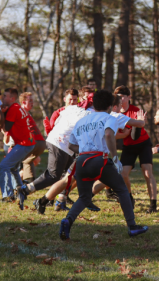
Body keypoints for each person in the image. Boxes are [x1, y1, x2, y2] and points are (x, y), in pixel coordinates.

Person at [59, 89, 149, 240]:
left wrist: (86, 150)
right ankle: (132, 226)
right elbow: (108, 134)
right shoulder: (109, 118)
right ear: (110, 105)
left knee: (84, 197)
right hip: (99, 160)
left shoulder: (81, 121)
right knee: (121, 189)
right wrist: (115, 158)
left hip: (82, 161)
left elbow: (71, 145)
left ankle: (68, 220)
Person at [18, 100, 90, 214]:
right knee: (54, 175)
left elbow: (57, 122)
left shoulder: (72, 108)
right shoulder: (92, 114)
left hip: (62, 143)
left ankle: (48, 201)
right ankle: (25, 190)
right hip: (61, 143)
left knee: (68, 177)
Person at [113, 86, 159, 213]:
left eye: (122, 97)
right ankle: (129, 198)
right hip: (128, 147)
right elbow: (115, 135)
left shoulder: (135, 111)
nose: (120, 99)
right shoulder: (114, 113)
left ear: (129, 97)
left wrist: (137, 124)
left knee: (147, 172)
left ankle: (153, 205)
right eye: (118, 97)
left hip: (143, 144)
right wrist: (124, 134)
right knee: (123, 174)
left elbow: (135, 136)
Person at [0, 88, 35, 209]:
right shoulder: (16, 107)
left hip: (24, 144)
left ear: (12, 98)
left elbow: (6, 128)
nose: (3, 98)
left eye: (5, 96)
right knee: (13, 168)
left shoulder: (13, 109)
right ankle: (21, 193)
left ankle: (8, 196)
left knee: (3, 166)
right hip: (28, 143)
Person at [18, 92, 46, 183]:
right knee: (29, 161)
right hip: (20, 144)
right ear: (23, 102)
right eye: (29, 101)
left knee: (35, 160)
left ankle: (25, 181)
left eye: (32, 101)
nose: (32, 103)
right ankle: (25, 181)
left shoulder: (27, 113)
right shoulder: (20, 112)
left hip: (34, 143)